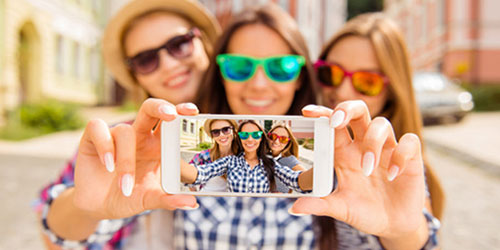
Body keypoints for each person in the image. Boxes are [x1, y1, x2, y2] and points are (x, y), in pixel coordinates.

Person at [38, 4, 440, 250]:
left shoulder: (333, 159)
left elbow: (303, 179)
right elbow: (64, 237)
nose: (260, 83)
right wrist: (84, 204)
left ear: (302, 75)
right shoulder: (176, 149)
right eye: (240, 66)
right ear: (221, 70)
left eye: (281, 67)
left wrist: (405, 233)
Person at [35, 0, 220, 248]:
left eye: (180, 44)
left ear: (204, 43)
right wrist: (86, 210)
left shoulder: (246, 133)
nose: (169, 64)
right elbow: (53, 241)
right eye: (146, 59)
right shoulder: (114, 141)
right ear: (136, 75)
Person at [309, 12, 444, 248]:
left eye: (367, 81)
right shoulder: (298, 142)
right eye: (331, 73)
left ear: (392, 92)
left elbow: (412, 236)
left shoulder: (398, 166)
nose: (341, 92)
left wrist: (401, 232)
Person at [181, 120, 313, 193]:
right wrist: (167, 157)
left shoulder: (271, 164)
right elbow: (200, 174)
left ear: (261, 137)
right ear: (239, 137)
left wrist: (328, 165)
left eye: (255, 135)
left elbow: (296, 180)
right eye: (245, 135)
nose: (250, 139)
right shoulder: (229, 161)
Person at [188, 119, 239, 192]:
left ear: (234, 131)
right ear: (212, 136)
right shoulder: (204, 155)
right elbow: (187, 174)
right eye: (216, 132)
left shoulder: (241, 156)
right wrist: (195, 195)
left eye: (226, 129)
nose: (221, 135)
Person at [267, 123, 307, 193]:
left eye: (283, 139)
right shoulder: (265, 155)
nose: (276, 141)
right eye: (273, 136)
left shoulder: (288, 159)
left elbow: (308, 179)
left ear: (288, 143)